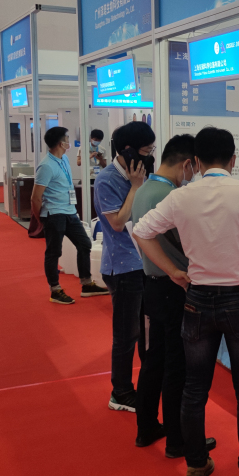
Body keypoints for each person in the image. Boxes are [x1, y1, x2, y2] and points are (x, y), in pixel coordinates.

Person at [133, 126, 239, 476]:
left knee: (194, 387)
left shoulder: (182, 196)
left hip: (196, 299)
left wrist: (173, 271)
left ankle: (196, 465)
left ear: (195, 162)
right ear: (233, 160)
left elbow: (141, 231)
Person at [131, 134, 214, 459]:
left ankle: (146, 427)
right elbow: (189, 243)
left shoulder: (143, 190)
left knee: (154, 360)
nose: (193, 176)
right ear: (187, 164)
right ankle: (179, 440)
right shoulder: (171, 197)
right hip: (175, 287)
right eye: (195, 169)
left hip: (151, 285)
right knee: (177, 365)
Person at [94, 120, 156, 413]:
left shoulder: (143, 173)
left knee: (145, 332)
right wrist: (135, 187)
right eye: (146, 151)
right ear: (129, 150)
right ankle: (120, 392)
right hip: (122, 267)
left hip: (144, 263)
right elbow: (118, 223)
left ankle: (146, 384)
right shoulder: (107, 180)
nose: (149, 156)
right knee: (126, 335)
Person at [31, 126, 109, 305]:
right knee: (54, 252)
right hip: (54, 214)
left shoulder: (64, 159)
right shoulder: (46, 166)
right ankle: (55, 289)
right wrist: (41, 219)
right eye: (67, 138)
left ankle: (86, 284)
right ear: (61, 143)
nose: (69, 141)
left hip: (70, 212)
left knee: (84, 244)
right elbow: (35, 198)